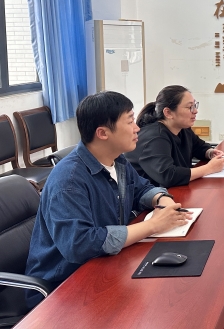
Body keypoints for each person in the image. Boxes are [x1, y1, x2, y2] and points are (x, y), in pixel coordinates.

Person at [25, 91, 191, 302]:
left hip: (105, 265)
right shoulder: (68, 181)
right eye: (130, 121)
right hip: (62, 287)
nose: (137, 128)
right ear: (103, 133)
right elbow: (80, 245)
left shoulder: (117, 161)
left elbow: (141, 189)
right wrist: (153, 225)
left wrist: (163, 201)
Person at [126, 85, 224, 187]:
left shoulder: (183, 128)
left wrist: (210, 152)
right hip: (148, 194)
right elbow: (168, 176)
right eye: (189, 107)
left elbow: (199, 147)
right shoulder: (155, 137)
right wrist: (209, 168)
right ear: (168, 113)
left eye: (195, 105)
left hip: (175, 190)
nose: (195, 111)